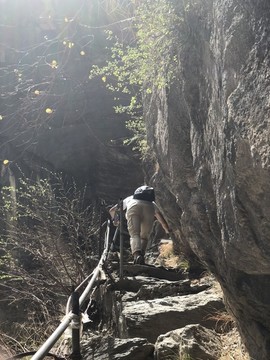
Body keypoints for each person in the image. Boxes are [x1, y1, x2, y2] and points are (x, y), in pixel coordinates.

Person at [109, 185, 170, 265]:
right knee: (144, 237)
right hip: (149, 208)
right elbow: (160, 217)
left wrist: (116, 221)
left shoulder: (129, 198)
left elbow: (112, 210)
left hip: (133, 207)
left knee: (135, 234)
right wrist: (167, 229)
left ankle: (137, 255)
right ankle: (141, 257)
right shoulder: (152, 203)